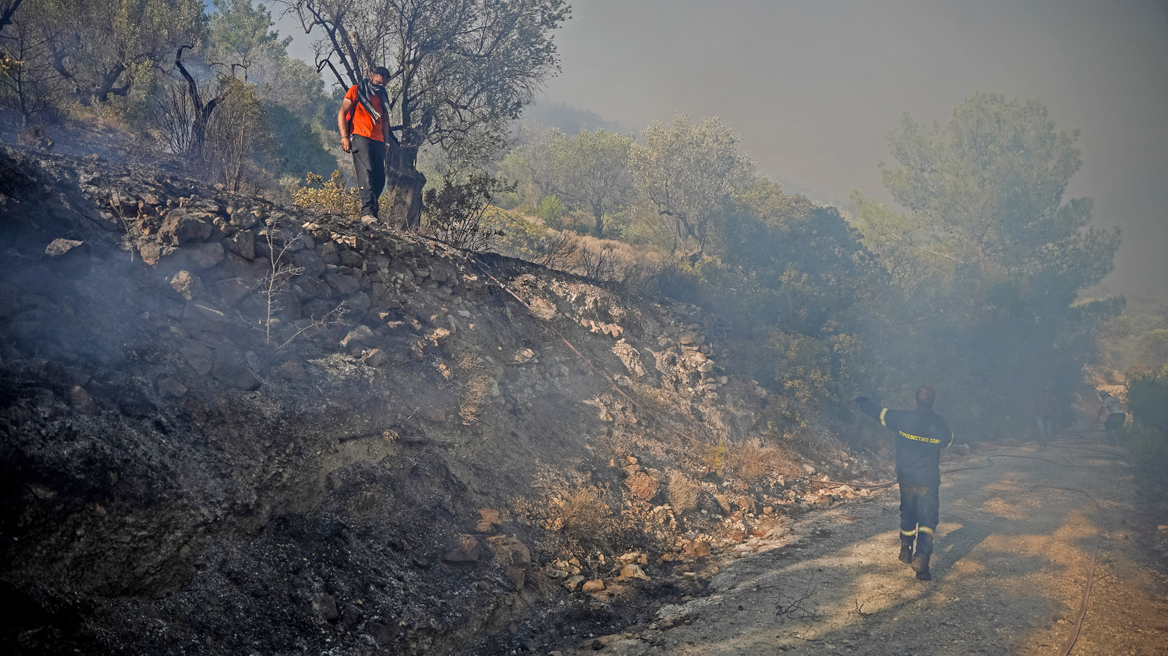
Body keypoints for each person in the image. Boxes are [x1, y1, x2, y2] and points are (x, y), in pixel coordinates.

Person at [855, 386, 954, 581]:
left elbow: (880, 413)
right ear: (933, 402)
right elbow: (949, 441)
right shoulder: (939, 423)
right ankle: (922, 559)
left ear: (915, 400)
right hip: (928, 480)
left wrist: (863, 401)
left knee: (908, 513)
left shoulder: (902, 418)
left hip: (906, 478)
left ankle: (905, 549)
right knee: (928, 521)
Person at [338, 67, 393, 223]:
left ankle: (373, 214)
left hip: (379, 141)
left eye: (383, 83)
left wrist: (387, 142)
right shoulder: (356, 90)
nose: (380, 85)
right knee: (366, 173)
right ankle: (367, 213)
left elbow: (386, 121)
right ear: (371, 76)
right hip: (361, 136)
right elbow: (342, 112)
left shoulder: (383, 97)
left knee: (380, 178)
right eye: (378, 81)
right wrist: (344, 137)